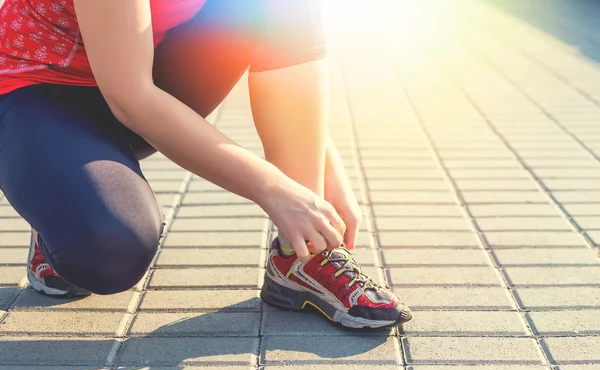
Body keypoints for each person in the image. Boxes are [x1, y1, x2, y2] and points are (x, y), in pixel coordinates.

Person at [0, 0, 411, 329]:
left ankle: (302, 258)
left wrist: (317, 177)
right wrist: (275, 190)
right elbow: (131, 98)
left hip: (139, 75)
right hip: (36, 93)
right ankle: (55, 196)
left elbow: (276, 40)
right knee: (109, 251)